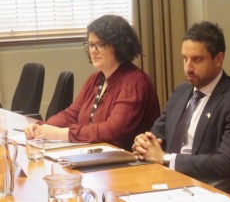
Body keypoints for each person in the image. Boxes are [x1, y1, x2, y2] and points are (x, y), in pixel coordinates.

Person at [132, 22, 230, 196]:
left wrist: (166, 159)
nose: (188, 68)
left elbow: (226, 162)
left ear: (218, 59)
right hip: (165, 181)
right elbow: (157, 136)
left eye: (197, 59)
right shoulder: (182, 91)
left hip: (203, 189)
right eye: (185, 58)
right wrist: (144, 144)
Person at [24, 15, 160, 150]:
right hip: (98, 154)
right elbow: (71, 114)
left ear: (119, 47)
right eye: (91, 45)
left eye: (101, 45)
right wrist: (42, 127)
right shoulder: (95, 79)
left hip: (128, 158)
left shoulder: (134, 83)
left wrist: (62, 134)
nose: (93, 51)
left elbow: (113, 131)